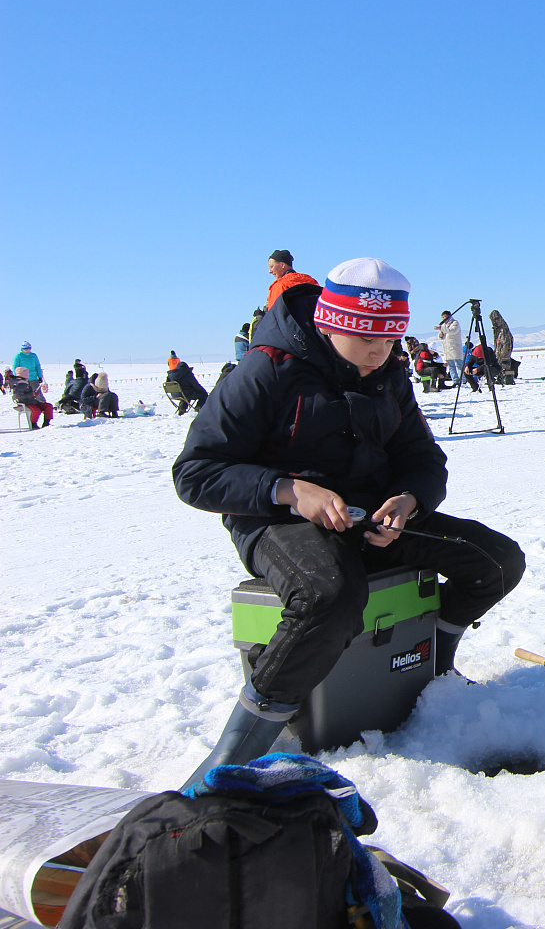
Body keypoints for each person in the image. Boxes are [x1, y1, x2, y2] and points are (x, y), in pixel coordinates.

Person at [172, 258, 526, 786]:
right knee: (330, 594)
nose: (379, 352)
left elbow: (424, 459)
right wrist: (288, 490)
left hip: (369, 517)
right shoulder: (266, 369)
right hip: (277, 520)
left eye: (390, 339)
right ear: (331, 323)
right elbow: (195, 473)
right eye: (367, 339)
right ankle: (237, 751)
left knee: (495, 561)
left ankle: (435, 670)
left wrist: (408, 500)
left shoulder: (389, 374)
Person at [488, 310, 517, 382]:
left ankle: (507, 379)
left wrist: (503, 355)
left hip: (503, 355)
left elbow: (506, 344)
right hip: (499, 354)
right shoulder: (498, 330)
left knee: (505, 367)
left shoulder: (503, 331)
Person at [436, 311, 464, 383]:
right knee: (451, 366)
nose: (443, 319)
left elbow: (452, 331)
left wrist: (442, 328)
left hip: (455, 347)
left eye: (445, 317)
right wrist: (440, 335)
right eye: (442, 317)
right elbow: (442, 335)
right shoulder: (444, 325)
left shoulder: (455, 323)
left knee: (459, 365)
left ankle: (463, 379)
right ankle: (455, 380)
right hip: (447, 349)